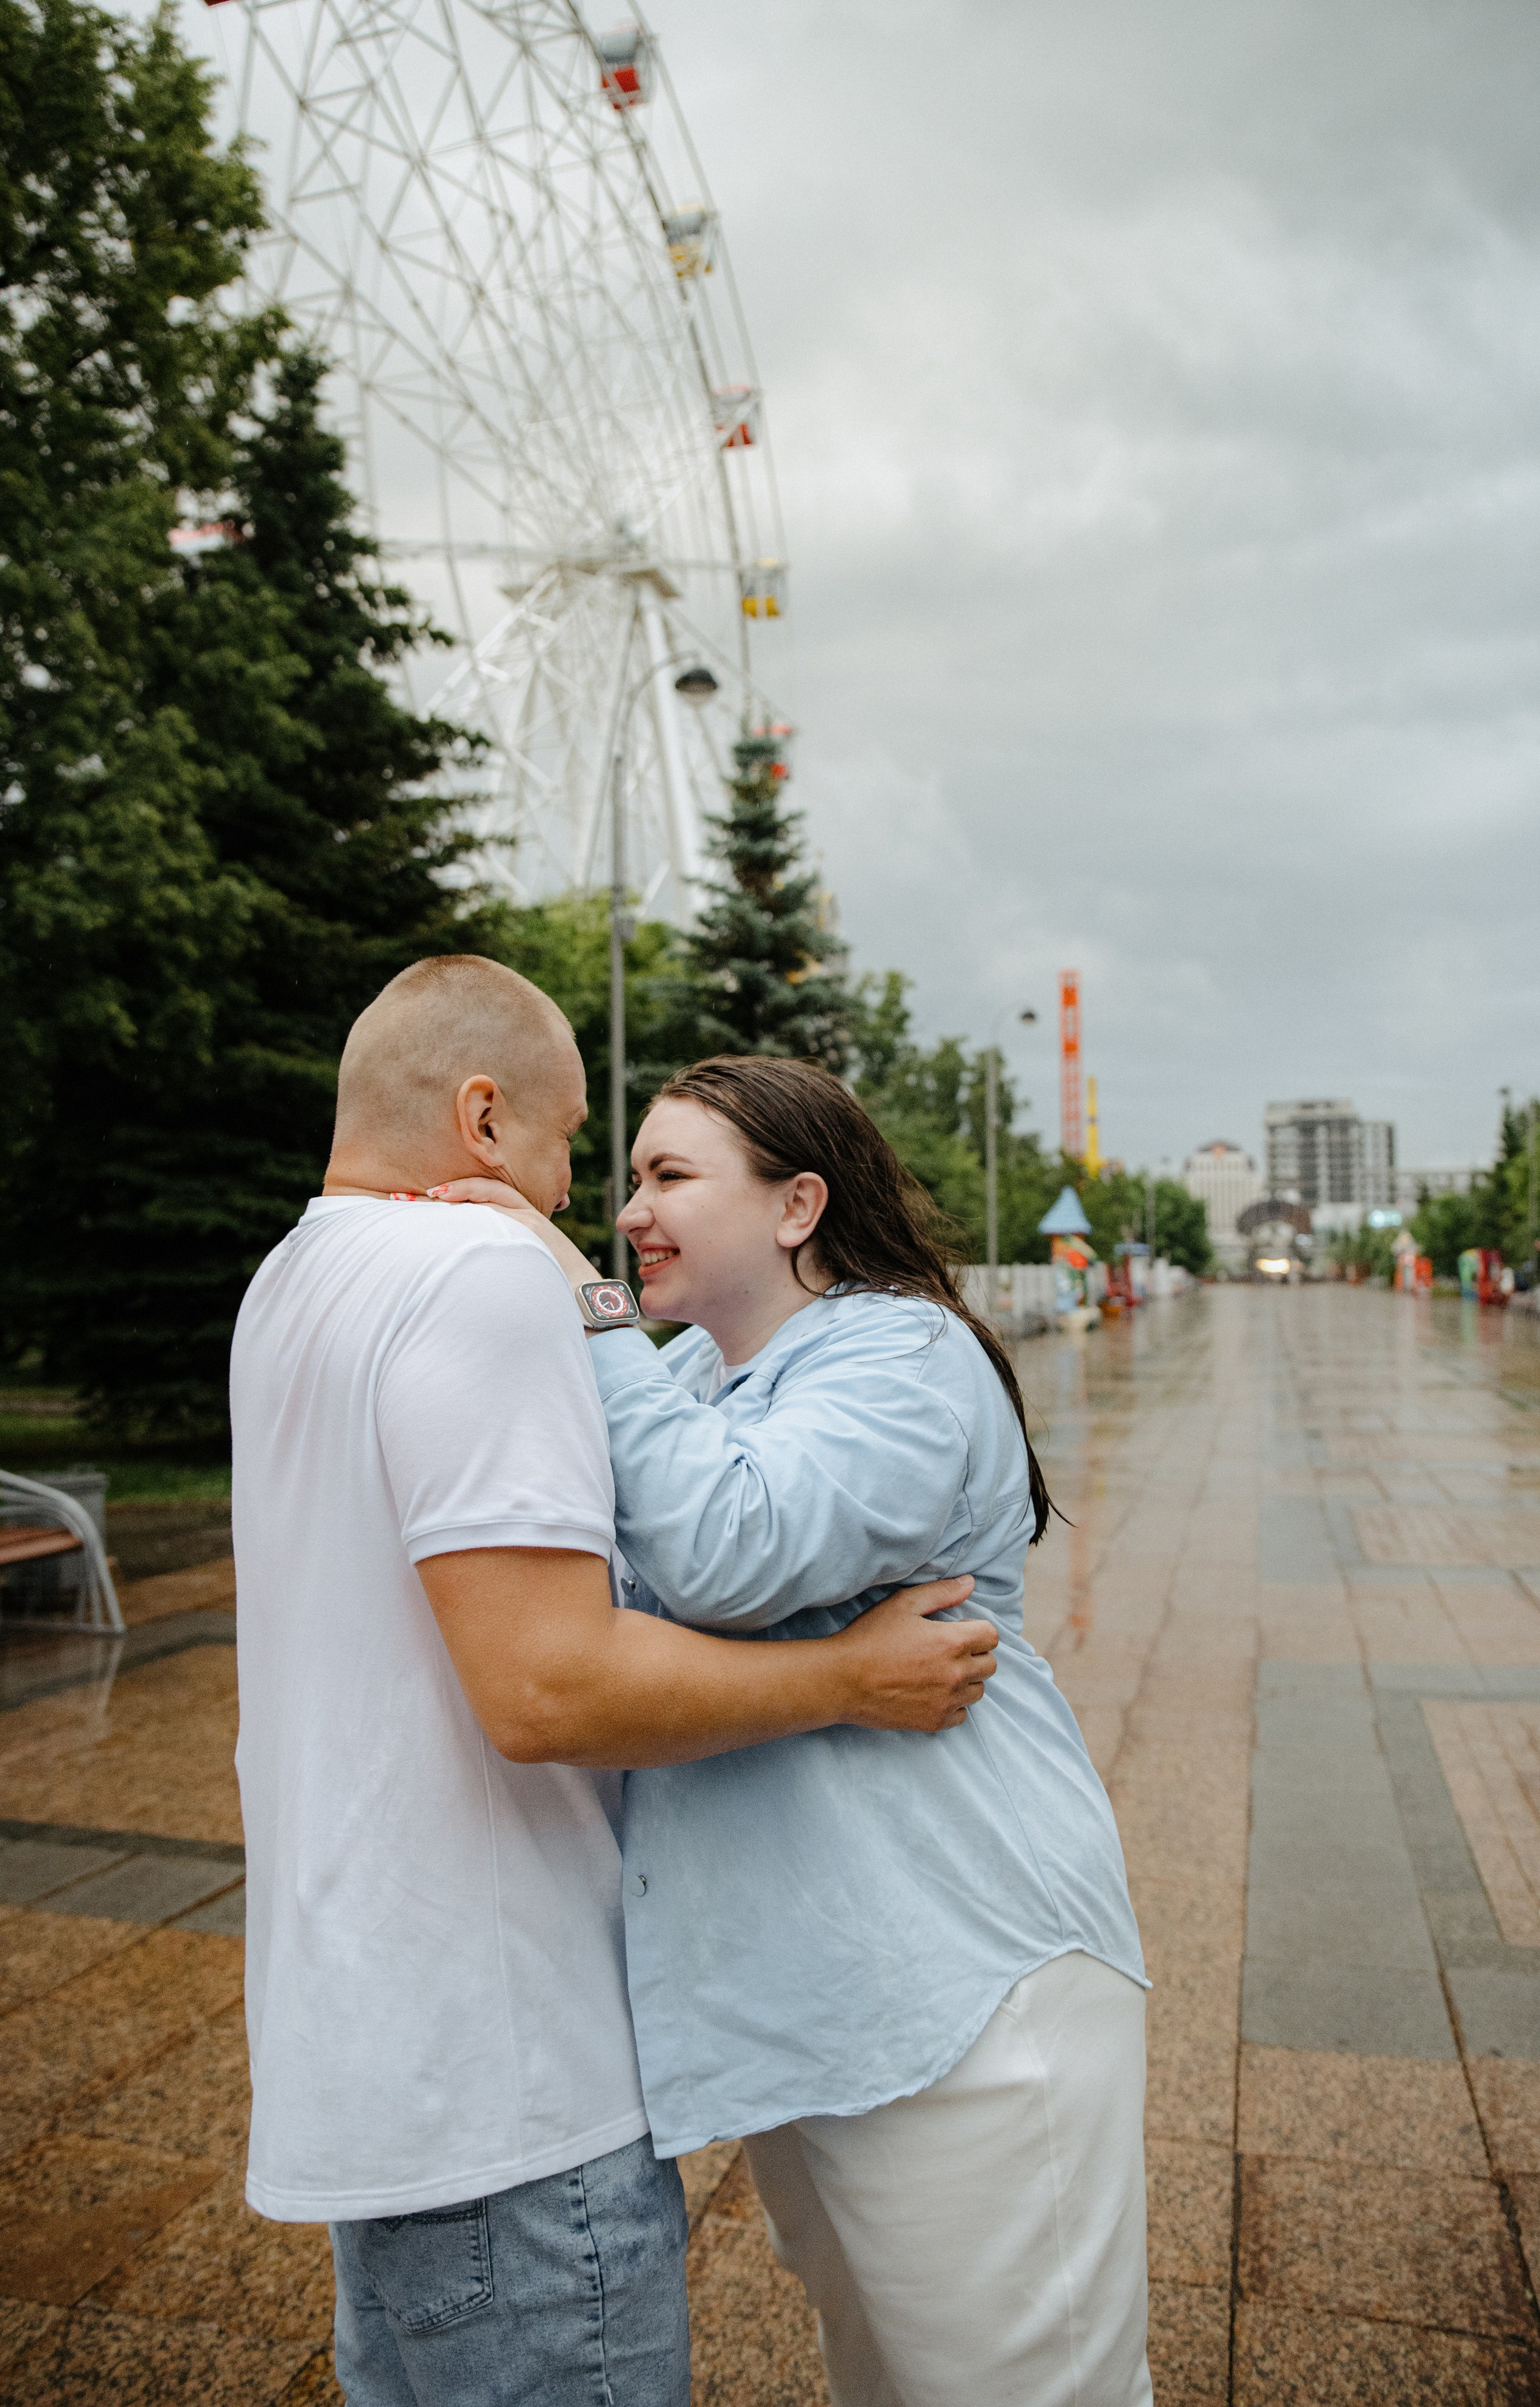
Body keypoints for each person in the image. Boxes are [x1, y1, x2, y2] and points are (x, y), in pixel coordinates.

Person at [230, 959, 997, 2407]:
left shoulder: (292, 1275)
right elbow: (549, 1693)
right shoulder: (478, 1271)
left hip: (362, 2043)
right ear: (481, 1116)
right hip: (509, 2074)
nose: (586, 1188)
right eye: (579, 1139)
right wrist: (844, 1676)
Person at [436, 1053, 1151, 2407]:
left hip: (966, 2000)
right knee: (886, 2383)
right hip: (816, 2005)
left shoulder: (908, 1349)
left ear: (794, 1205)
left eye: (667, 1177)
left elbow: (724, 1546)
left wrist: (573, 1298)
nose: (628, 1210)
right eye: (627, 1176)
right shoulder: (697, 1372)